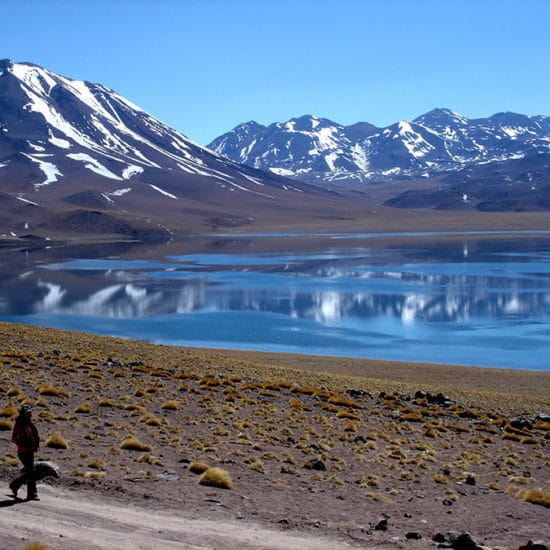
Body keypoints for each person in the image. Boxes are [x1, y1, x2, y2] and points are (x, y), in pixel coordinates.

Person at [10, 404, 40, 501]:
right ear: (23, 413)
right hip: (23, 452)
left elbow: (34, 434)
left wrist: (35, 446)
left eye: (30, 413)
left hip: (30, 451)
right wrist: (22, 446)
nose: (30, 414)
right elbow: (14, 438)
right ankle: (32, 494)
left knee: (30, 472)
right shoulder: (19, 424)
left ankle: (15, 485)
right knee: (32, 471)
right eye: (28, 413)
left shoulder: (29, 422)